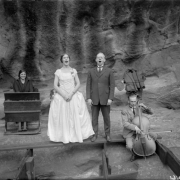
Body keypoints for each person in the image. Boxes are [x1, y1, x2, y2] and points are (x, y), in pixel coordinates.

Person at [47, 54, 94, 143]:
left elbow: (78, 83)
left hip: (73, 96)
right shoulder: (58, 72)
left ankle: (75, 135)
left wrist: (71, 94)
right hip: (62, 96)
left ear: (69, 59)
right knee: (63, 116)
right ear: (62, 60)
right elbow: (55, 85)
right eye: (64, 58)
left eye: (67, 57)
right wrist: (64, 95)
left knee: (74, 116)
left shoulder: (73, 71)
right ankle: (64, 136)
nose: (66, 59)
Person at [86, 52, 115, 142]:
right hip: (94, 99)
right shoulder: (91, 71)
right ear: (95, 60)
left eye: (101, 57)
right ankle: (94, 134)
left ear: (104, 60)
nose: (100, 59)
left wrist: (110, 98)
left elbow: (112, 85)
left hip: (106, 99)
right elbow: (88, 85)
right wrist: (88, 98)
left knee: (106, 118)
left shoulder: (109, 71)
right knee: (94, 118)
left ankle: (108, 134)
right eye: (98, 57)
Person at [121, 93, 157, 161]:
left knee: (154, 136)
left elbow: (151, 112)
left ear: (137, 101)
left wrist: (145, 107)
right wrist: (135, 127)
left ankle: (149, 149)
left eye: (134, 101)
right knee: (129, 146)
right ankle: (134, 154)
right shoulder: (124, 110)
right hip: (130, 132)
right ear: (128, 101)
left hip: (142, 131)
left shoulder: (139, 107)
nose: (133, 103)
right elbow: (125, 123)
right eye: (131, 101)